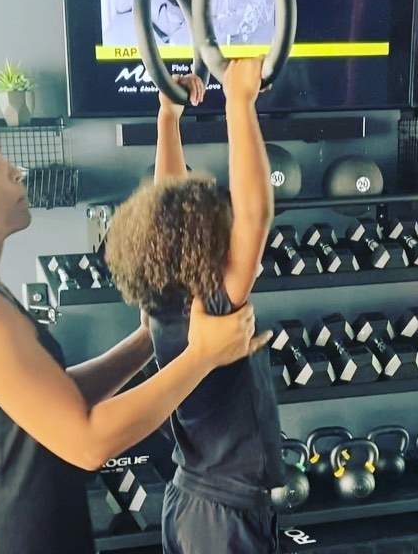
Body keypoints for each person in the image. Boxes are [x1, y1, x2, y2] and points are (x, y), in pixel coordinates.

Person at [0, 77, 271, 554]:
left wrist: (146, 341)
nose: (16, 172)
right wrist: (201, 355)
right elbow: (86, 441)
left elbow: (49, 404)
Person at [104, 59, 285, 554]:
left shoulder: (166, 297)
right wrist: (239, 103)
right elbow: (256, 212)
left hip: (190, 499)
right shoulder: (215, 304)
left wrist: (168, 117)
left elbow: (168, 200)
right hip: (222, 515)